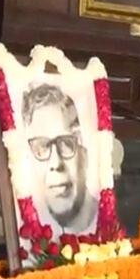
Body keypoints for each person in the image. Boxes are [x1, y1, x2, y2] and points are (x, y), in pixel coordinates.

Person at [21, 83, 98, 235]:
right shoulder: (33, 234)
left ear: (83, 151)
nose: (56, 163)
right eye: (42, 147)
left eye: (65, 143)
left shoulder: (107, 224)